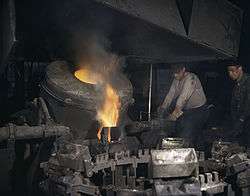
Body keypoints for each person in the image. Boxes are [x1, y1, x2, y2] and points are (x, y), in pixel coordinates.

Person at [158, 64, 209, 145]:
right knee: (180, 129)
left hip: (199, 110)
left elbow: (183, 97)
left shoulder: (191, 78)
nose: (175, 75)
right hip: (188, 111)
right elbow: (171, 94)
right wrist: (163, 107)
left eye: (177, 73)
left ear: (183, 69)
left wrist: (174, 114)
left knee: (186, 133)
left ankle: (189, 151)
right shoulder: (176, 79)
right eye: (173, 73)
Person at [227, 61, 250, 146]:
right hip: (241, 121)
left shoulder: (248, 81)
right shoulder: (237, 84)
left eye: (232, 70)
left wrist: (241, 119)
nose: (230, 74)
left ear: (239, 69)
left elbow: (248, 103)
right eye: (228, 71)